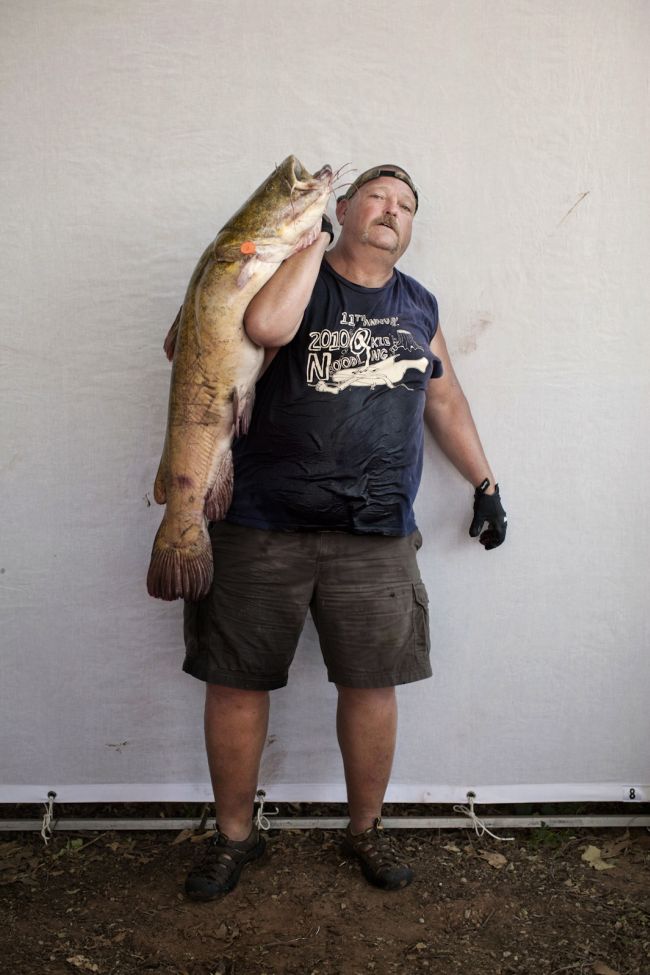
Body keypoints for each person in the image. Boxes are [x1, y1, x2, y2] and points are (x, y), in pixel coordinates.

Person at [182, 164, 507, 900]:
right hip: (263, 520)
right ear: (344, 207)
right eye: (377, 197)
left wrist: (485, 482)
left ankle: (365, 828)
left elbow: (444, 398)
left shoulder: (419, 304)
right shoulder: (294, 277)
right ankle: (235, 837)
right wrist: (309, 246)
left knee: (371, 684)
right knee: (236, 681)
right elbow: (264, 329)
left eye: (406, 205)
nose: (391, 211)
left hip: (376, 530)